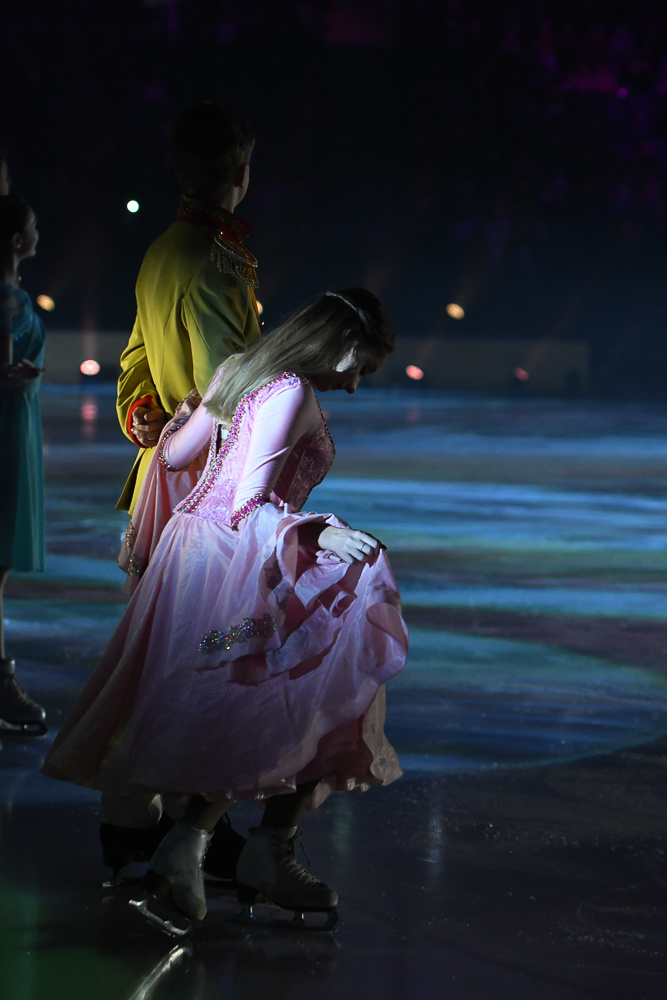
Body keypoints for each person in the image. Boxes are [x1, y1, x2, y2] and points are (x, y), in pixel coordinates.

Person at [42, 288, 408, 931]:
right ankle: (238, 849)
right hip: (234, 563)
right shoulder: (291, 392)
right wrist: (320, 534)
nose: (354, 385)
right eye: (362, 368)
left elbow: (174, 456)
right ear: (344, 345)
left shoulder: (237, 372)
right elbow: (248, 505)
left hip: (193, 560)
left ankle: (211, 851)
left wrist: (192, 413)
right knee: (318, 660)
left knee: (251, 696)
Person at [106, 102, 262, 877]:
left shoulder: (164, 250)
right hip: (203, 486)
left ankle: (144, 819)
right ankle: (172, 822)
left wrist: (143, 412)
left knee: (161, 657)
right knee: (197, 659)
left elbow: (135, 361)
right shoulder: (212, 259)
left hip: (159, 480)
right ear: (242, 173)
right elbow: (226, 388)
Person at [0, 194, 47, 735]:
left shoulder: (12, 296)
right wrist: (17, 374)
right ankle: (1, 679)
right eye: (32, 225)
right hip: (7, 424)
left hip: (16, 419)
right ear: (16, 240)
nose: (39, 231)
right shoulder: (6, 298)